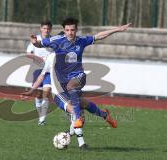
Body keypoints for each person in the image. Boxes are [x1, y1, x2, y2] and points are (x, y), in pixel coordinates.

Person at [30, 17, 131, 148]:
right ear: (64, 31)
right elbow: (40, 43)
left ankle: (78, 128)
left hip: (78, 78)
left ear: (76, 30)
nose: (70, 32)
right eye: (67, 30)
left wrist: (118, 29)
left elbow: (99, 36)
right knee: (84, 104)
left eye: (72, 30)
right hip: (61, 88)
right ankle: (105, 115)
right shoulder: (56, 41)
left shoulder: (81, 41)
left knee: (73, 94)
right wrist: (34, 43)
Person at [22, 53, 117, 149]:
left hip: (71, 91)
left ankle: (104, 115)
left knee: (85, 105)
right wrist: (31, 91)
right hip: (58, 94)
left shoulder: (72, 55)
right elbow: (42, 76)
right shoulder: (51, 57)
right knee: (76, 113)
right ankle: (82, 144)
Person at [26, 20, 53, 125]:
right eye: (44, 28)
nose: (46, 30)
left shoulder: (53, 40)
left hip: (49, 70)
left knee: (46, 93)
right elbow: (28, 53)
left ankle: (42, 120)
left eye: (48, 28)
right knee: (38, 95)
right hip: (37, 70)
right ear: (41, 29)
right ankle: (40, 116)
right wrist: (37, 58)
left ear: (50, 29)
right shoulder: (35, 39)